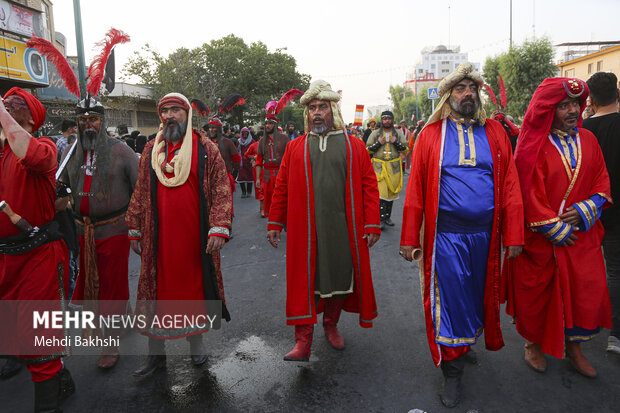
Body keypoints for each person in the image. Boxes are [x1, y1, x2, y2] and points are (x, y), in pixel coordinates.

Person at [399, 63, 524, 408]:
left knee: (474, 299)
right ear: (448, 96)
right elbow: (415, 192)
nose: (468, 93)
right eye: (460, 88)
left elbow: (511, 184)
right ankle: (451, 371)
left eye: (473, 87)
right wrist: (410, 238)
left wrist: (513, 235)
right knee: (449, 303)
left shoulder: (496, 134)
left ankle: (462, 345)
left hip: (486, 238)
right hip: (447, 239)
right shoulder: (430, 136)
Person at [505, 77, 612, 378]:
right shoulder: (532, 145)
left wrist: (584, 210)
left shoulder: (589, 139)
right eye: (563, 105)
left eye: (576, 104)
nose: (572, 111)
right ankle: (533, 344)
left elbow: (602, 181)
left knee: (581, 293)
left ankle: (574, 347)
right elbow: (526, 192)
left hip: (582, 237)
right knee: (539, 296)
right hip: (543, 240)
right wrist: (554, 228)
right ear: (548, 110)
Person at [267, 80, 381, 362]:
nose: (317, 113)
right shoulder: (294, 148)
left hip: (343, 230)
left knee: (340, 278)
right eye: (312, 108)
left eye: (322, 107)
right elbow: (281, 186)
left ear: (333, 111)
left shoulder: (354, 146)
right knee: (304, 282)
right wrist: (274, 222)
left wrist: (372, 223)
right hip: (304, 231)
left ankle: (331, 325)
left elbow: (369, 185)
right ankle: (302, 341)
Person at [126, 93, 232, 378]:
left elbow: (222, 190)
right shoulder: (151, 150)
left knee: (193, 293)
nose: (170, 115)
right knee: (155, 296)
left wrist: (219, 226)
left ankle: (195, 346)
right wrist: (134, 228)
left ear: (187, 114)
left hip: (193, 241)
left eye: (176, 110)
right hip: (156, 240)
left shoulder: (206, 148)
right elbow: (139, 191)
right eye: (165, 111)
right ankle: (155, 356)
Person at [0, 87, 75, 411]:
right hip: (6, 260)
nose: (5, 105)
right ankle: (62, 378)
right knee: (17, 336)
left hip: (38, 258)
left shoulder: (43, 148)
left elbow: (26, 152)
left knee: (38, 339)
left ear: (30, 118)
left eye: (11, 105)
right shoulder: (2, 152)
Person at [58, 96, 139, 369]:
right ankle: (123, 322)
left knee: (112, 287)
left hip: (115, 230)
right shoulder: (70, 152)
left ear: (102, 121)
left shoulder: (122, 152)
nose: (88, 125)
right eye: (83, 120)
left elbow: (140, 192)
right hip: (83, 231)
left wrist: (139, 228)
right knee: (93, 284)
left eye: (93, 119)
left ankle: (110, 344)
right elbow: (62, 185)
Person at [583, 72, 620, 355]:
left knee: (590, 271)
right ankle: (615, 335)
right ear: (617, 94)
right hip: (617, 213)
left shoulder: (581, 131)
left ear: (590, 100)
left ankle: (582, 327)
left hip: (587, 213)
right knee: (616, 272)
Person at [366, 111, 408, 227]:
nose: (387, 121)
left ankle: (388, 217)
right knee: (381, 193)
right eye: (384, 119)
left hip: (394, 168)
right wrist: (378, 143)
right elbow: (367, 149)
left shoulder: (398, 133)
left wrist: (396, 142)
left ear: (392, 120)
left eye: (389, 118)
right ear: (382, 120)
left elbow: (405, 149)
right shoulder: (375, 134)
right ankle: (381, 219)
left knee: (391, 194)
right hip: (379, 168)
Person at [255, 107, 289, 218]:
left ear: (274, 125)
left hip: (281, 172)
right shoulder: (262, 141)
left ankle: (282, 221)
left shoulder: (284, 139)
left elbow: (289, 158)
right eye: (266, 124)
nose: (267, 126)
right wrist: (257, 179)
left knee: (282, 198)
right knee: (268, 201)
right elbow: (259, 161)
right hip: (267, 175)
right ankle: (272, 225)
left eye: (270, 123)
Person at [204, 119, 240, 217]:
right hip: (207, 179)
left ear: (219, 129)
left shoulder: (227, 142)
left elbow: (236, 159)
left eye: (214, 128)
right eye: (210, 127)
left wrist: (231, 172)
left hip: (225, 177)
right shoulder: (204, 143)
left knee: (225, 205)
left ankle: (227, 227)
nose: (211, 130)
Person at [237, 127, 254, 198]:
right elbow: (237, 150)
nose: (245, 134)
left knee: (249, 177)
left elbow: (254, 149)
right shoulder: (238, 141)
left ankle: (249, 192)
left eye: (246, 132)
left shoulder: (252, 141)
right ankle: (243, 192)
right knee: (241, 177)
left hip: (249, 161)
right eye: (243, 132)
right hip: (241, 162)